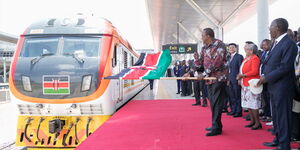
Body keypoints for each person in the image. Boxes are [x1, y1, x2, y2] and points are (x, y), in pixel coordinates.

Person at [257, 18, 298, 150]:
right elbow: (270, 62)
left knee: (283, 115)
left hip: (283, 87)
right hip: (274, 86)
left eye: (271, 27)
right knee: (276, 115)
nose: (269, 30)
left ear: (278, 28)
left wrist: (266, 77)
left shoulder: (289, 44)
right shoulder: (275, 43)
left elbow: (285, 67)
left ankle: (284, 144)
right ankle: (278, 138)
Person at [197, 28, 228, 136]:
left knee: (216, 103)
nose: (201, 38)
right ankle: (216, 125)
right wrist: (190, 71)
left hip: (218, 78)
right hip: (209, 79)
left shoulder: (219, 44)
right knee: (213, 103)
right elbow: (200, 62)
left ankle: (216, 127)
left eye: (202, 35)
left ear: (208, 36)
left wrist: (205, 73)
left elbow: (217, 62)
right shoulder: (204, 47)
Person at [237, 42, 262, 130]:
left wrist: (242, 75)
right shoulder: (246, 58)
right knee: (248, 104)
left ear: (251, 51)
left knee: (253, 104)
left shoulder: (255, 58)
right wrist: (240, 77)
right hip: (245, 83)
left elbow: (254, 71)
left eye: (246, 49)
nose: (245, 49)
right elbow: (242, 70)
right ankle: (252, 121)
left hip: (252, 83)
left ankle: (257, 122)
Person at [227, 43, 244, 117]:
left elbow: (241, 68)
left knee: (237, 95)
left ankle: (238, 111)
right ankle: (233, 110)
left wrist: (239, 79)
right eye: (229, 47)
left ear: (235, 48)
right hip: (230, 79)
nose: (231, 49)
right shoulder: (228, 57)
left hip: (236, 79)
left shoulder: (239, 56)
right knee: (231, 96)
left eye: (232, 47)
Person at [260, 39, 272, 122]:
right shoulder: (263, 53)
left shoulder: (271, 53)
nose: (263, 46)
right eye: (263, 45)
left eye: (265, 45)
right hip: (262, 78)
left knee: (268, 98)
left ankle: (270, 115)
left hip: (268, 79)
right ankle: (266, 113)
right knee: (265, 98)